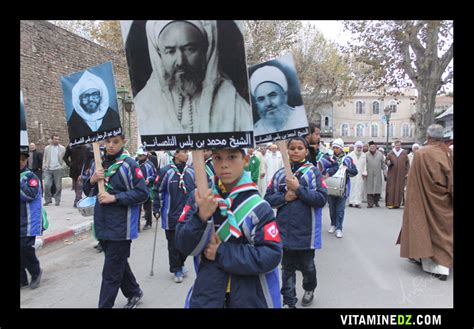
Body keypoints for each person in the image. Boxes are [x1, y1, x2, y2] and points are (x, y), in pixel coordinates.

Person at [175, 148, 282, 308]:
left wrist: (221, 252)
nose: (224, 165)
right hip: (207, 293)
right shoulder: (200, 198)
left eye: (232, 157)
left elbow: (271, 255)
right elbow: (183, 245)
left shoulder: (259, 207)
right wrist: (201, 216)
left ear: (245, 159)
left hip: (249, 296)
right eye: (217, 158)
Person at [134, 20, 253, 135]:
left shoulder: (233, 104)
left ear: (205, 50)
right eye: (170, 51)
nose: (180, 61)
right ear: (160, 56)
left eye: (189, 49)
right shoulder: (144, 104)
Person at [83, 135, 148, 308]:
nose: (110, 146)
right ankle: (134, 291)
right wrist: (92, 180)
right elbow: (86, 190)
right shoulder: (97, 163)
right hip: (102, 223)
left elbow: (143, 193)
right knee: (118, 263)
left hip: (121, 227)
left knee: (110, 272)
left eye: (115, 142)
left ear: (123, 142)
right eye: (108, 142)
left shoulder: (129, 165)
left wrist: (115, 198)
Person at [265, 137, 327, 308]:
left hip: (306, 230)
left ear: (306, 151)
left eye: (300, 148)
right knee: (287, 267)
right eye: (292, 148)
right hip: (284, 229)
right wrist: (285, 197)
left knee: (307, 266)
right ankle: (288, 299)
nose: (296, 151)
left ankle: (309, 288)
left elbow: (321, 199)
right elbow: (268, 198)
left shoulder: (313, 172)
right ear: (286, 151)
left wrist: (299, 189)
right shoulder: (279, 174)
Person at [396, 124, 453, 281]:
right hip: (444, 199)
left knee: (424, 230)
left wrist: (412, 201)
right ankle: (443, 264)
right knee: (443, 232)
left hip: (424, 198)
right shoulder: (448, 152)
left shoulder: (421, 154)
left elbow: (414, 182)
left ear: (428, 137)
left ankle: (438, 267)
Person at [153, 149, 195, 283]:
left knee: (187, 242)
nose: (187, 154)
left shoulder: (191, 172)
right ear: (176, 154)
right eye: (183, 152)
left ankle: (181, 262)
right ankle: (176, 268)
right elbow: (158, 190)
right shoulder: (166, 171)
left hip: (188, 215)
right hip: (170, 215)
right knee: (173, 244)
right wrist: (156, 207)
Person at [250, 65, 307, 136]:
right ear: (257, 104)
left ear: (285, 96)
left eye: (272, 95)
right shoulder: (257, 131)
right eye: (261, 99)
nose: (268, 103)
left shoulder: (302, 117)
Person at [68, 70, 121, 141]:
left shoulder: (113, 117)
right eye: (86, 96)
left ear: (101, 96)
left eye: (94, 94)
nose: (91, 99)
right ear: (79, 99)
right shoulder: (72, 123)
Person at [20, 152, 43, 289]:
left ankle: (36, 272)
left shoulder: (31, 177)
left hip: (28, 221)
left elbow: (30, 195)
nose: (21, 162)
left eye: (23, 159)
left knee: (25, 247)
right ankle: (22, 279)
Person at [326, 138, 358, 238]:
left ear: (341, 148)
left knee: (340, 209)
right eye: (333, 147)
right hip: (330, 187)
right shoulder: (328, 158)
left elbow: (355, 171)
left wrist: (347, 169)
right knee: (332, 208)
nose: (335, 149)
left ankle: (339, 228)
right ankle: (333, 224)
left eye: (337, 147)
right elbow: (323, 169)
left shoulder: (347, 159)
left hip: (343, 188)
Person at [42, 134, 67, 206]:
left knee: (58, 186)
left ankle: (57, 200)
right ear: (52, 139)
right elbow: (45, 158)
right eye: (55, 139)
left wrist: (63, 166)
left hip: (58, 169)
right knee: (46, 185)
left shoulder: (62, 148)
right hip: (48, 169)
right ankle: (48, 200)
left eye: (58, 139)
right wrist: (44, 166)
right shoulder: (47, 148)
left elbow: (64, 158)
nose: (57, 141)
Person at [136, 148, 157, 230]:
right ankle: (136, 226)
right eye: (138, 155)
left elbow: (155, 175)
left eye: (141, 155)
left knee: (147, 207)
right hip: (137, 189)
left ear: (145, 156)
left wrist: (149, 179)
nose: (139, 157)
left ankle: (148, 223)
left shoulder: (150, 164)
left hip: (147, 189)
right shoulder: (135, 164)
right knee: (137, 208)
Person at [385, 140, 409, 209]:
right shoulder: (390, 153)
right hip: (392, 173)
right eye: (396, 145)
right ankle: (390, 203)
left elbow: (407, 163)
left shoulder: (404, 153)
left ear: (400, 145)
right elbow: (386, 161)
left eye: (399, 145)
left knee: (399, 188)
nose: (397, 146)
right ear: (394, 146)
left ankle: (397, 204)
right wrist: (388, 162)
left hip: (401, 174)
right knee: (391, 188)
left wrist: (407, 172)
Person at [347, 141, 367, 208]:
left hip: (360, 174)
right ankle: (351, 201)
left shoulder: (364, 155)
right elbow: (347, 164)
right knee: (352, 187)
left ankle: (357, 202)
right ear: (355, 147)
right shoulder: (350, 155)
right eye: (358, 147)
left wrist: (364, 172)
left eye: (360, 147)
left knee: (359, 188)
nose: (359, 149)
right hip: (352, 174)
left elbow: (365, 165)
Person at [365, 141, 385, 208]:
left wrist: (385, 173)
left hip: (377, 173)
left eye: (374, 147)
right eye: (371, 147)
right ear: (369, 147)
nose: (372, 148)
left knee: (377, 188)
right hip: (369, 174)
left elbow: (383, 164)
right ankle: (370, 203)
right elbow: (364, 164)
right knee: (369, 189)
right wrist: (364, 172)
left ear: (376, 147)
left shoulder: (380, 154)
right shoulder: (366, 155)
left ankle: (376, 202)